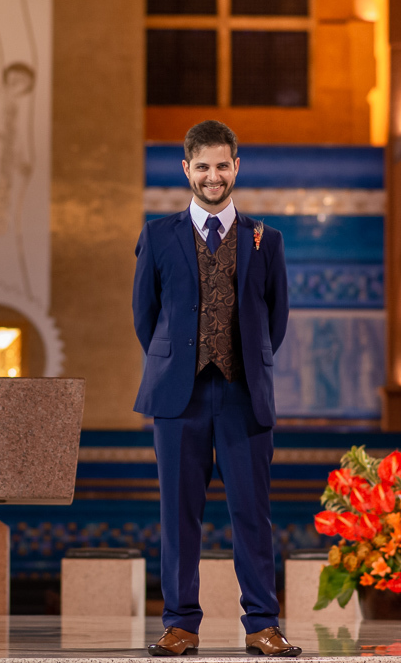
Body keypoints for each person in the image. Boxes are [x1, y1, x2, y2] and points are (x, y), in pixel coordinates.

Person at [133, 120, 299, 657]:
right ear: (186, 169)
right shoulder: (158, 235)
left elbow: (276, 318)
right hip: (177, 397)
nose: (212, 176)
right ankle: (181, 624)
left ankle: (261, 625)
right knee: (179, 515)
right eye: (202, 166)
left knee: (252, 513)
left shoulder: (264, 239)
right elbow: (145, 316)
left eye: (222, 165)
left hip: (243, 396)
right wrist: (179, 360)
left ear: (236, 167)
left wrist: (244, 363)